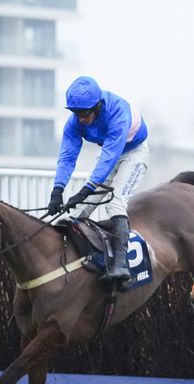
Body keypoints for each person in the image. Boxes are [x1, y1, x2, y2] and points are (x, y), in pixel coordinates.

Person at [47, 76, 150, 282]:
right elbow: (67, 156)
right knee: (79, 209)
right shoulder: (74, 122)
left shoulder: (117, 113)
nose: (81, 119)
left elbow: (109, 158)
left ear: (99, 106)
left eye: (85, 114)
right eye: (76, 114)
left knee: (115, 203)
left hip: (134, 153)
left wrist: (85, 190)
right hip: (109, 153)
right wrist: (57, 190)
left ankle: (121, 265)